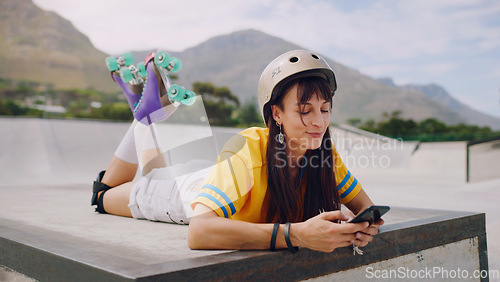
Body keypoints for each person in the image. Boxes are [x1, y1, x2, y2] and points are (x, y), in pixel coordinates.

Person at [92, 50, 384, 253]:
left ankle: (147, 115)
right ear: (277, 114)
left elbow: (365, 210)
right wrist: (296, 235)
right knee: (103, 194)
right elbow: (199, 232)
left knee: (154, 168)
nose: (318, 122)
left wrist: (361, 229)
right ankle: (145, 117)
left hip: (218, 177)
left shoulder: (325, 156)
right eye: (304, 111)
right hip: (186, 192)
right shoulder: (249, 149)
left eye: (324, 109)